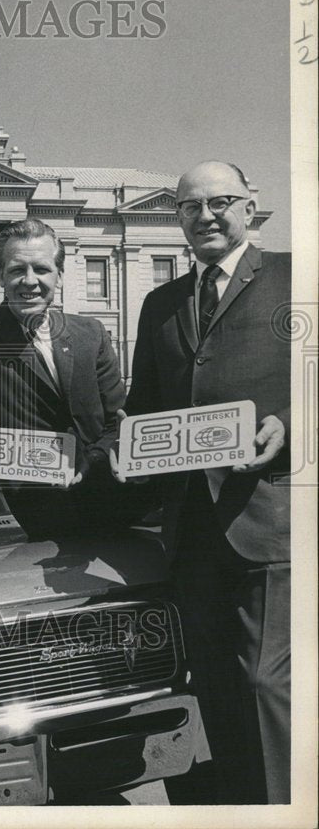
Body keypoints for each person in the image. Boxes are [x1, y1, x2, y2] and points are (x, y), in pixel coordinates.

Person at [118, 161, 290, 804]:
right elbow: (143, 407)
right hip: (190, 529)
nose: (205, 216)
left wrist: (289, 426)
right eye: (190, 207)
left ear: (250, 207)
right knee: (213, 685)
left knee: (265, 683)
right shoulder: (160, 303)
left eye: (220, 202)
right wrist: (116, 452)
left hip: (266, 518)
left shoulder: (294, 277)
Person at [0, 218, 138, 556]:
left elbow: (118, 421)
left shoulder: (91, 334)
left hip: (109, 499)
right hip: (33, 510)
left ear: (59, 274)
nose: (29, 281)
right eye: (17, 270)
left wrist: (92, 462)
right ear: (1, 276)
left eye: (41, 269)